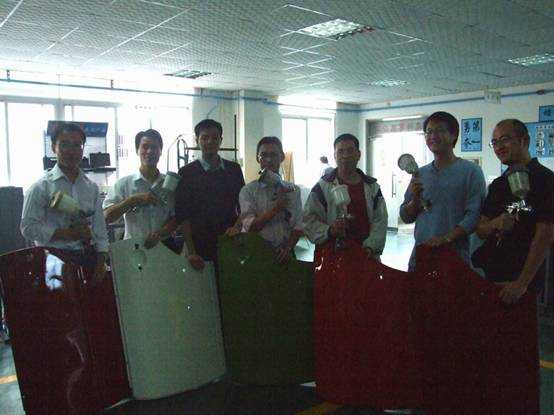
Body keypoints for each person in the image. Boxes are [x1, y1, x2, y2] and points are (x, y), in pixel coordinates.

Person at [473, 119, 554, 303]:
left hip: (524, 283)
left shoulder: (546, 180)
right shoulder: (498, 185)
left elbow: (545, 234)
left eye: (505, 139)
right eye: (494, 142)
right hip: (492, 275)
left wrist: (522, 283)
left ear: (524, 141)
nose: (499, 147)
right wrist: (495, 224)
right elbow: (481, 230)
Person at [21, 122, 108, 284]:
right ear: (53, 147)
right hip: (52, 261)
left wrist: (102, 261)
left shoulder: (91, 188)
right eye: (64, 144)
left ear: (82, 149)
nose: (71, 151)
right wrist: (66, 234)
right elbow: (28, 228)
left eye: (77, 145)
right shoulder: (41, 188)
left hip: (87, 258)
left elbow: (100, 231)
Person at [400, 111, 486, 271]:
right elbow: (405, 217)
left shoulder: (471, 171)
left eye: (439, 130)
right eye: (429, 132)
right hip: (421, 256)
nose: (433, 136)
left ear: (454, 135)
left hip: (455, 258)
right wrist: (415, 200)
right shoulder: (420, 174)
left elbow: (474, 216)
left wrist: (445, 239)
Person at [175, 119, 245, 270]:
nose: (210, 142)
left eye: (214, 137)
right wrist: (191, 252)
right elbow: (183, 215)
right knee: (203, 284)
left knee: (229, 281)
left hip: (229, 240)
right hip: (199, 245)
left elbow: (245, 206)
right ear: (197, 141)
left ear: (221, 140)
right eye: (204, 138)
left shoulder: (234, 170)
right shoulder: (186, 173)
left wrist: (237, 227)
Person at [303, 133, 387, 258]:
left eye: (350, 151)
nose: (345, 156)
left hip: (365, 256)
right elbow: (308, 220)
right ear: (335, 156)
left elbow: (380, 220)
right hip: (331, 257)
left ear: (358, 155)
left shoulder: (372, 187)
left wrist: (370, 247)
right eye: (340, 151)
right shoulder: (322, 187)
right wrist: (329, 230)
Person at [103, 129, 177, 249]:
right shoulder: (123, 184)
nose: (149, 151)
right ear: (137, 150)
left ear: (160, 151)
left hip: (164, 246)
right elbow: (107, 217)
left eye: (154, 147)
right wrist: (132, 200)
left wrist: (160, 233)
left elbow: (176, 217)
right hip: (133, 247)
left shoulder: (170, 184)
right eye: (145, 147)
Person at [239, 136, 303, 263]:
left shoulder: (293, 190)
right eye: (264, 155)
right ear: (258, 158)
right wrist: (276, 209)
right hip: (256, 255)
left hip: (285, 254)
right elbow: (250, 227)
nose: (269, 160)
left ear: (282, 157)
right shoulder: (248, 191)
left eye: (273, 155)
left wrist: (288, 248)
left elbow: (298, 226)